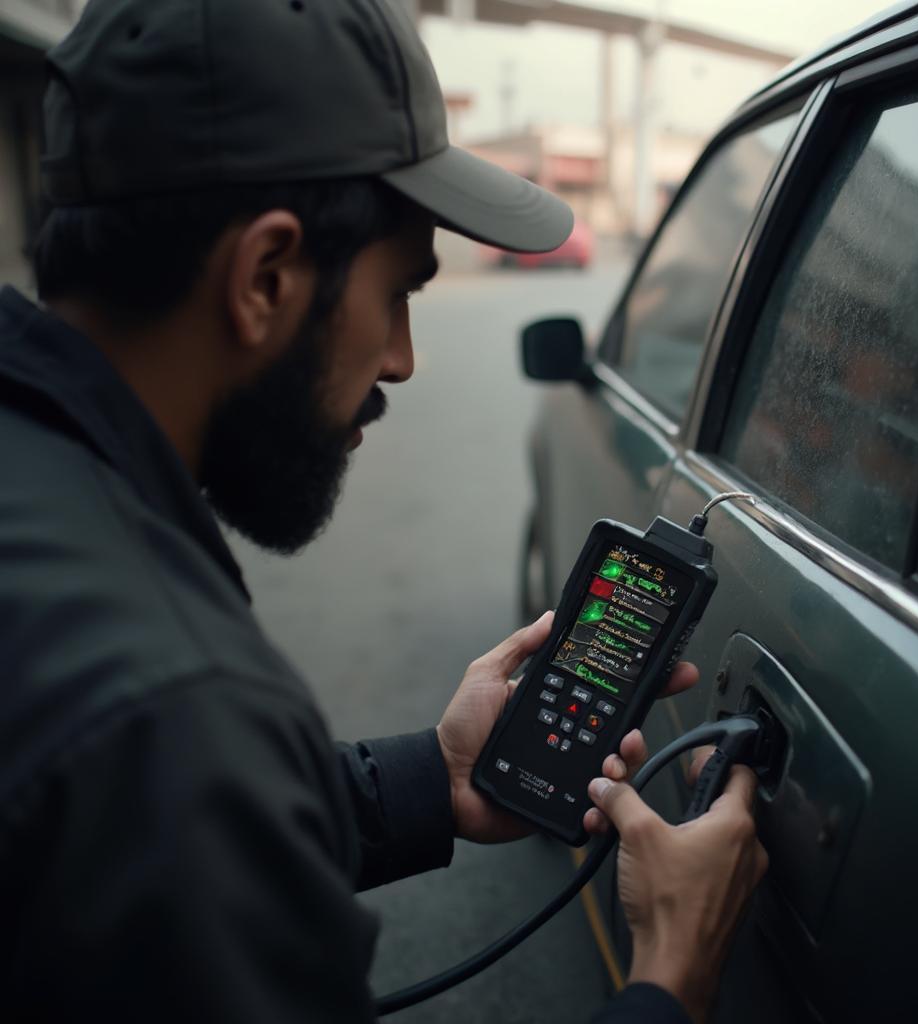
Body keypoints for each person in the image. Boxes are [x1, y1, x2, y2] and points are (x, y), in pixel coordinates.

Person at [0, 0, 767, 1021]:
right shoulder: (167, 706)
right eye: (399, 291)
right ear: (266, 277)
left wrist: (430, 779)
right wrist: (670, 975)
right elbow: (164, 776)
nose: (402, 358)